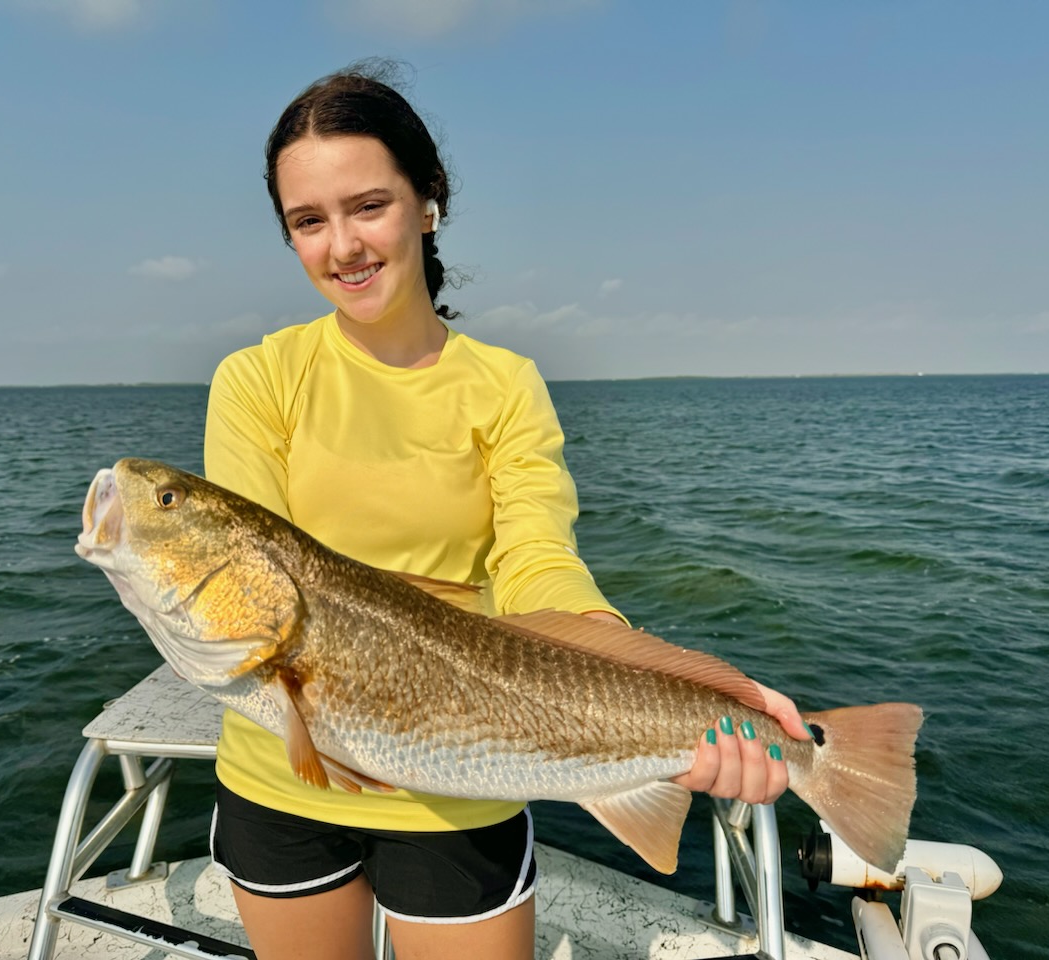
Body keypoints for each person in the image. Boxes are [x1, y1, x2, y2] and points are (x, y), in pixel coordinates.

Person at [202, 61, 813, 960]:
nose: (343, 246)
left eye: (368, 205)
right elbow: (252, 576)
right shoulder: (256, 379)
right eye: (308, 221)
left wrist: (680, 688)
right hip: (281, 786)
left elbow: (536, 556)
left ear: (427, 202)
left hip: (465, 777)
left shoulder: (505, 386)